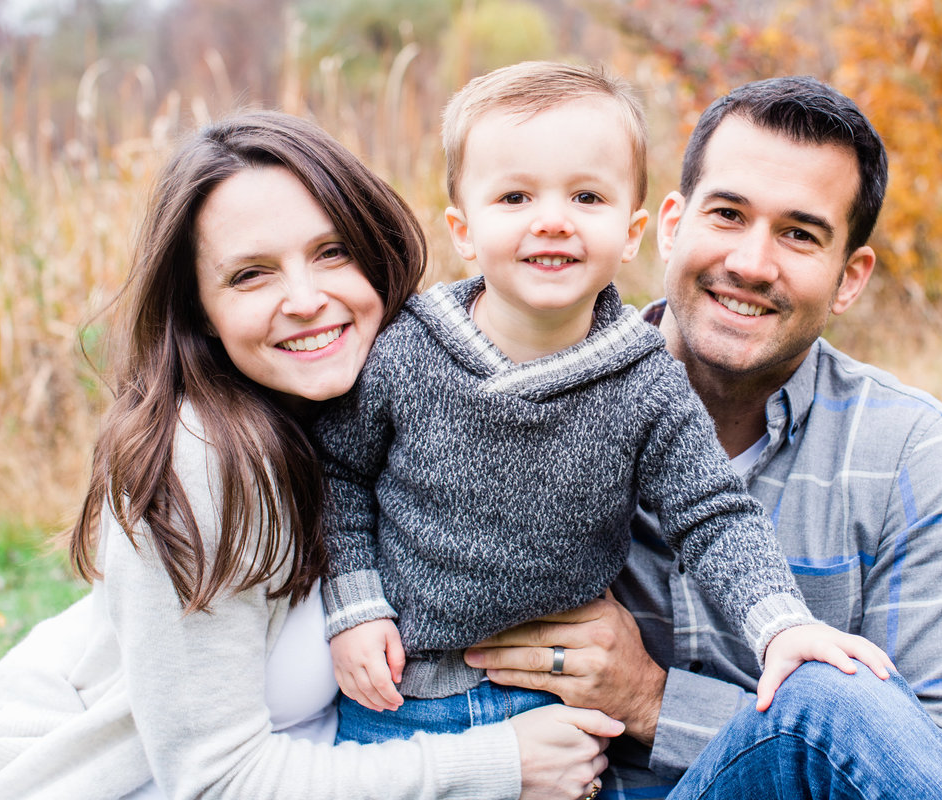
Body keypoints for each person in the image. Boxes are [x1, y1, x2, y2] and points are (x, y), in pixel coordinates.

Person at [0, 110, 624, 800]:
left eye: (332, 253)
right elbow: (216, 780)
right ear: (201, 311)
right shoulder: (203, 457)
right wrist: (500, 764)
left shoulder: (392, 410)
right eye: (250, 275)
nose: (305, 300)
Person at [459, 75, 942, 799]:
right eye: (728, 214)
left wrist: (654, 700)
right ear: (671, 224)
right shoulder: (527, 400)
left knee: (827, 701)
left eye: (799, 235)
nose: (751, 264)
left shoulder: (910, 447)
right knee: (828, 694)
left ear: (850, 279)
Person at [312, 61, 892, 768]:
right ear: (464, 229)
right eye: (515, 196)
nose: (552, 220)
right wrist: (355, 605)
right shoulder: (407, 350)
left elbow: (713, 516)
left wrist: (778, 627)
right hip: (398, 695)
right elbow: (338, 473)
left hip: (552, 712)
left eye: (587, 197)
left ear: (634, 231)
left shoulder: (645, 379)